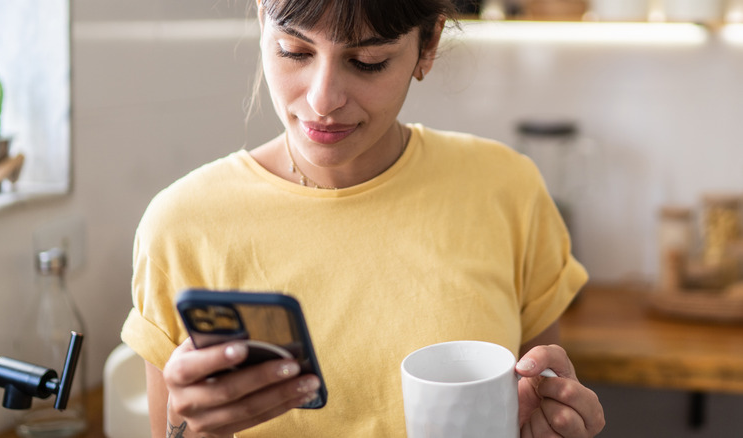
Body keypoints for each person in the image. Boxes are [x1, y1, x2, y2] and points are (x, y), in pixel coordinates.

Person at [121, 0, 606, 436]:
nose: (322, 100)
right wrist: (188, 432)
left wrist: (553, 422)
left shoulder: (507, 188)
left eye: (367, 62)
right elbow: (175, 428)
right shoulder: (182, 224)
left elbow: (536, 394)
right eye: (294, 51)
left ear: (428, 44)